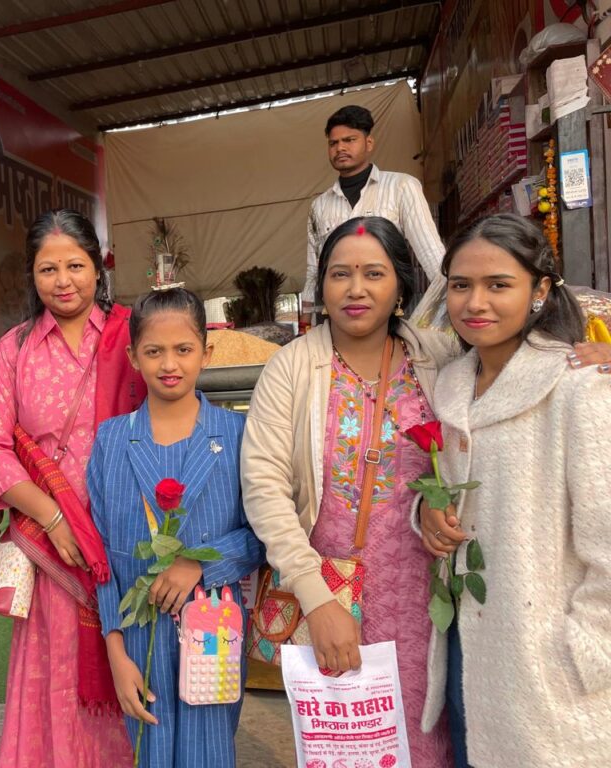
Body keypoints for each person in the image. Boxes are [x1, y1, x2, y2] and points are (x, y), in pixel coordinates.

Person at [244, 216, 460, 766]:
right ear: (321, 289)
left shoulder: (438, 359)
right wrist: (316, 601)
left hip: (423, 603)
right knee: (342, 746)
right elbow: (264, 488)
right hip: (327, 593)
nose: (356, 288)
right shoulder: (291, 368)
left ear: (401, 286)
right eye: (340, 274)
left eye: (373, 273)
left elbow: (514, 351)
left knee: (426, 739)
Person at [416, 214, 611, 767]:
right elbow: (446, 489)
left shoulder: (578, 387)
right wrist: (427, 513)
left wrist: (586, 651)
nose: (476, 302)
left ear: (541, 291)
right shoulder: (452, 384)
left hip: (548, 671)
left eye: (498, 285)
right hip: (467, 654)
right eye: (461, 285)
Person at [0, 208, 144, 767]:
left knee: (128, 661)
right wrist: (53, 518)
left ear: (98, 267)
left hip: (125, 535)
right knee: (51, 667)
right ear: (32, 274)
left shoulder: (132, 334)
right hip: (49, 541)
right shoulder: (15, 349)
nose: (63, 280)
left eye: (75, 265)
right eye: (48, 269)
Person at [87, 287, 264, 767]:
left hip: (214, 632)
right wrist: (116, 652)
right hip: (138, 638)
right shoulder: (112, 441)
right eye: (154, 351)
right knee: (150, 749)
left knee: (210, 752)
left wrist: (198, 566)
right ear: (133, 357)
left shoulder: (237, 435)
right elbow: (101, 556)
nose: (170, 363)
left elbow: (262, 532)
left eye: (183, 349)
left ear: (206, 353)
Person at [302, 105, 445, 321]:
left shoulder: (402, 187)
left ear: (369, 143)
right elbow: (314, 270)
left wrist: (443, 313)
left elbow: (432, 256)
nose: (340, 148)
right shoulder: (319, 206)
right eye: (334, 143)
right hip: (339, 317)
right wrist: (305, 322)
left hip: (388, 311)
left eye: (349, 140)